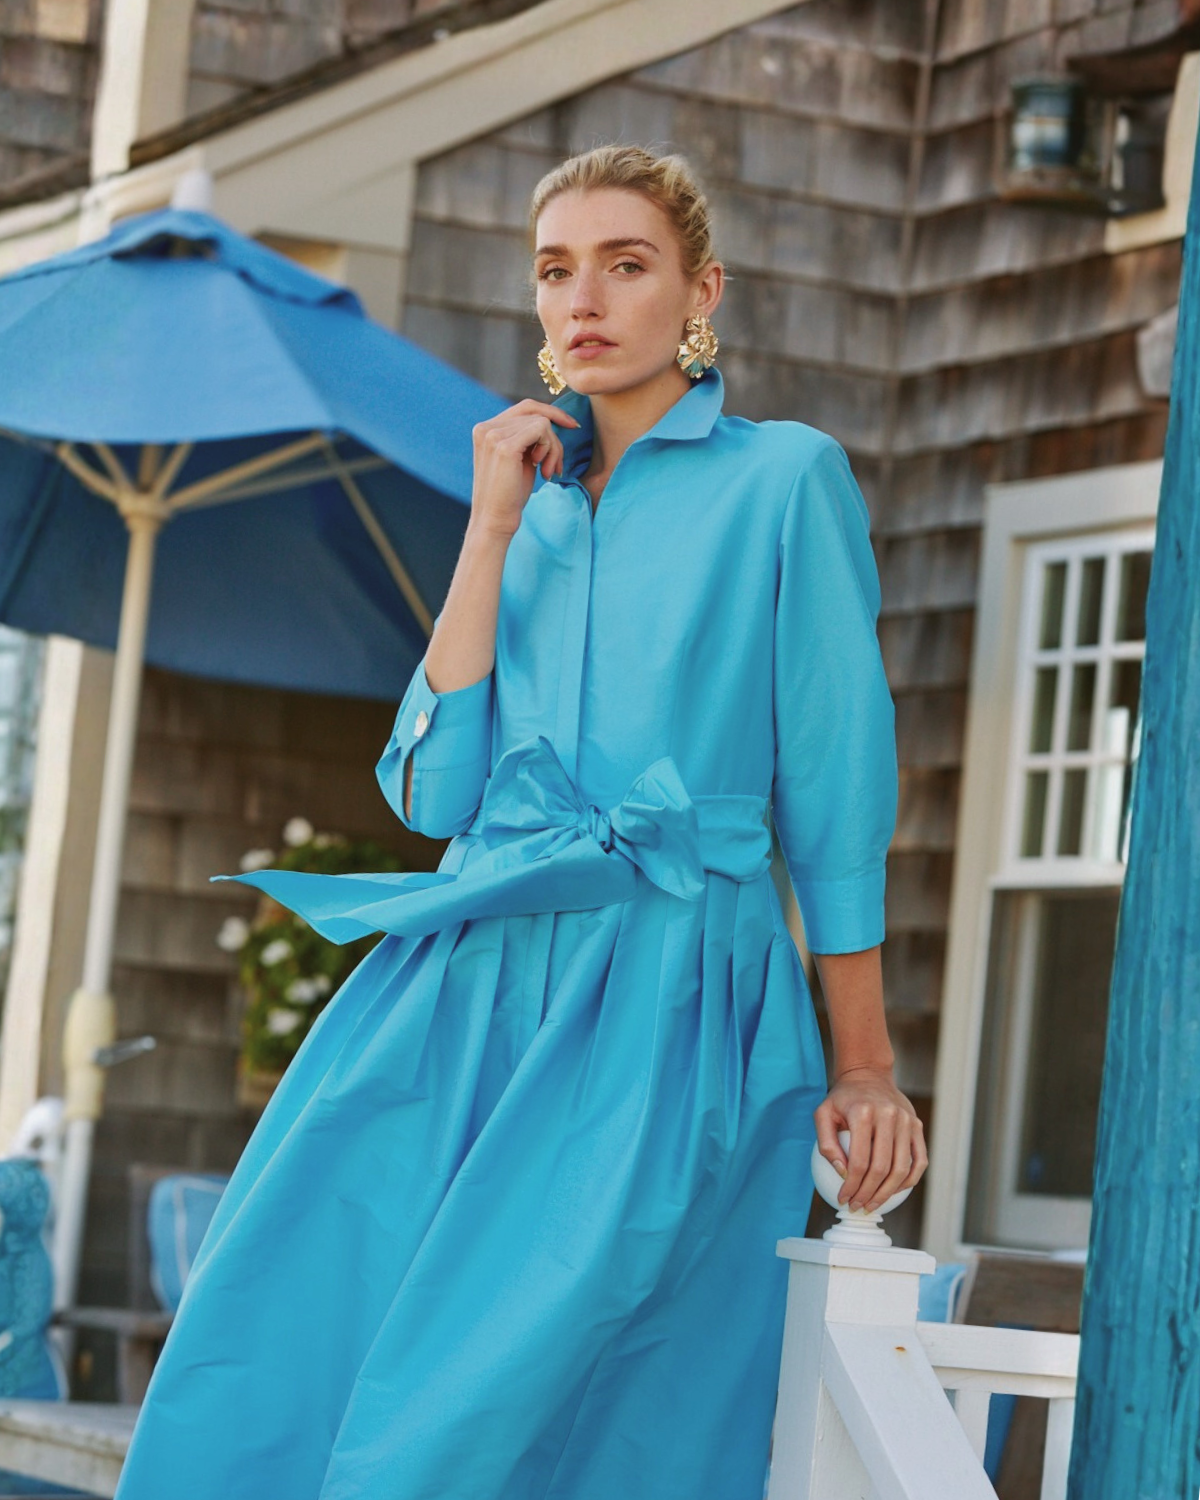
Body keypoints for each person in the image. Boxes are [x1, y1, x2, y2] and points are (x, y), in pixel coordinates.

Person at [112, 144, 927, 1500]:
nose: (585, 299)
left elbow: (837, 795)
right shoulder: (519, 505)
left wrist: (866, 1064)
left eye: (626, 264)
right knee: (282, 1326)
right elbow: (432, 795)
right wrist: (487, 531)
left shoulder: (784, 481)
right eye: (557, 271)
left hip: (666, 987)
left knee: (504, 1411)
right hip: (460, 986)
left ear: (700, 290)